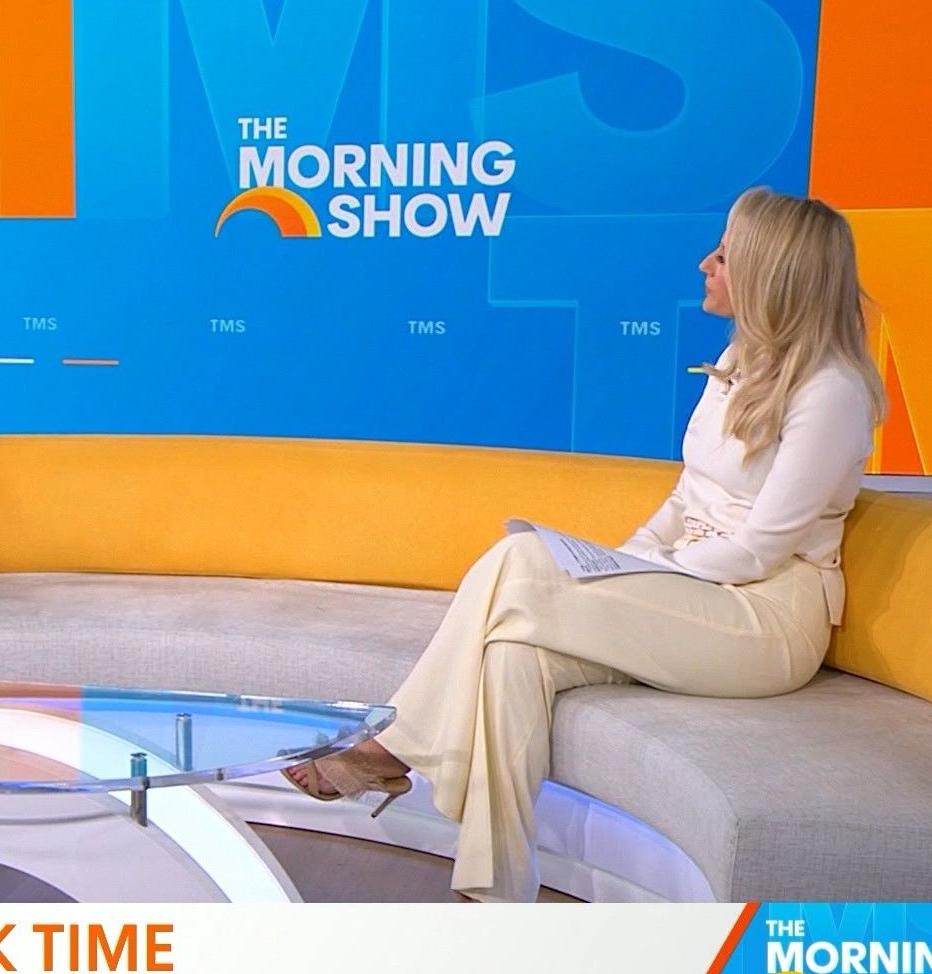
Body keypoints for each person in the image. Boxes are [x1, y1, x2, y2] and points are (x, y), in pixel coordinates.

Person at [284, 187, 886, 902]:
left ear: (770, 277)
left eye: (724, 257)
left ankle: (390, 746)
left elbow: (759, 550)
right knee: (512, 655)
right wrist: (629, 561)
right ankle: (492, 892)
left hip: (762, 618)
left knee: (519, 560)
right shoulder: (742, 359)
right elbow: (686, 499)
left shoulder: (833, 392)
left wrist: (643, 574)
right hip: (692, 590)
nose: (705, 264)